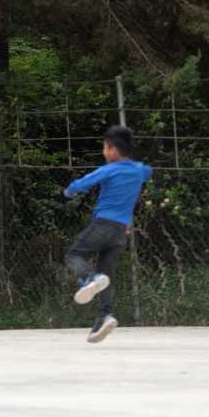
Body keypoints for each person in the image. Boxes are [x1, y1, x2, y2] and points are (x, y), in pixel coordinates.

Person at [63, 124, 152, 344]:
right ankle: (105, 317)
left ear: (112, 149)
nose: (104, 152)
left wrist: (69, 191)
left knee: (74, 255)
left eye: (104, 147)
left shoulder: (109, 169)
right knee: (105, 273)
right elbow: (147, 172)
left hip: (103, 224)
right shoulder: (140, 170)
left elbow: (82, 184)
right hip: (121, 232)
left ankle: (90, 279)